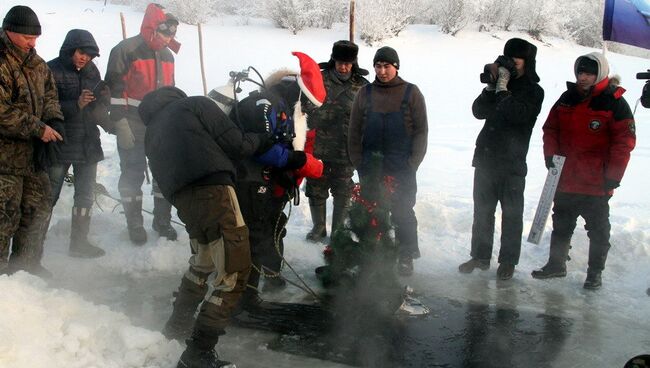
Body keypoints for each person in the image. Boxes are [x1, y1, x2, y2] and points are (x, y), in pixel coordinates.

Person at [139, 86, 274, 368]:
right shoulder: (195, 105)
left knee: (203, 262)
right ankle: (198, 353)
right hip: (214, 190)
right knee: (235, 269)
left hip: (185, 200)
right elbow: (238, 144)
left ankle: (176, 327)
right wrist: (263, 137)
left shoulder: (151, 132)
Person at [531, 52, 636, 290]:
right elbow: (551, 129)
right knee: (561, 225)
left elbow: (624, 143)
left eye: (589, 73)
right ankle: (556, 265)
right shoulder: (567, 98)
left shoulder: (615, 102)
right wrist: (551, 155)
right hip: (566, 177)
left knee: (598, 232)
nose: (583, 77)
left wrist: (613, 176)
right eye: (580, 72)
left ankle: (594, 274)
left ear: (599, 74)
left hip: (596, 182)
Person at [232, 52, 325, 302]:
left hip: (271, 182)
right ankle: (246, 294)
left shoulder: (291, 111)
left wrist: (289, 172)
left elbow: (287, 145)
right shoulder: (266, 104)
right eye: (307, 104)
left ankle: (272, 276)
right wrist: (295, 162)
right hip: (249, 180)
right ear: (298, 94)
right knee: (255, 234)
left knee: (274, 228)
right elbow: (260, 146)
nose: (307, 110)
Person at [458, 38, 544, 281]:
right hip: (486, 158)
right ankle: (480, 256)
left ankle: (508, 261)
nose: (511, 65)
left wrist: (504, 90)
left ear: (527, 63)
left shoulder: (534, 91)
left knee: (512, 214)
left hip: (512, 162)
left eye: (516, 60)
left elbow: (519, 115)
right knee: (482, 211)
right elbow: (478, 111)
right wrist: (490, 88)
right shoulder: (498, 85)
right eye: (508, 59)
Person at [348, 46, 428, 277]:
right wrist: (358, 161)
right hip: (371, 165)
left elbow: (421, 131)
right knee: (372, 211)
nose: (382, 71)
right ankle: (372, 254)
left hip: (401, 164)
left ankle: (406, 254)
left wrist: (413, 162)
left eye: (387, 66)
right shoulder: (365, 93)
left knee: (402, 210)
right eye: (378, 66)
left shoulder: (411, 93)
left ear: (396, 67)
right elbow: (354, 131)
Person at [105, 3, 181, 245]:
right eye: (165, 32)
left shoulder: (168, 55)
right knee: (132, 172)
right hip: (132, 123)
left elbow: (169, 91)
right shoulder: (126, 50)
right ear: (151, 28)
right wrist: (120, 123)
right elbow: (114, 90)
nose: (169, 38)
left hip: (160, 125)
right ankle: (134, 223)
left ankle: (162, 220)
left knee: (164, 174)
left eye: (172, 34)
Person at [0, 6, 64, 276]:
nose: (33, 42)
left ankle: (26, 269)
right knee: (4, 217)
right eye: (27, 37)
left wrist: (54, 120)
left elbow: (51, 97)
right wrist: (37, 128)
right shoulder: (2, 61)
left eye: (36, 37)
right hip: (4, 160)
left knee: (38, 210)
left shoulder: (38, 65)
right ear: (9, 31)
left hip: (33, 159)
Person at [46, 29, 109, 258]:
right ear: (70, 49)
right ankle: (33, 247)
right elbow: (45, 108)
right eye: (81, 52)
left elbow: (98, 107)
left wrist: (103, 99)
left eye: (89, 55)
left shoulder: (93, 71)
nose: (85, 58)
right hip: (60, 142)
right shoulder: (51, 69)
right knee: (48, 197)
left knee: (85, 195)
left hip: (88, 142)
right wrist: (76, 104)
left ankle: (79, 244)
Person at [305, 40, 369, 242]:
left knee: (343, 190)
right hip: (318, 146)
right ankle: (319, 227)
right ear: (333, 60)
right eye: (340, 62)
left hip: (346, 148)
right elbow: (303, 106)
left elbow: (369, 116)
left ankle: (339, 231)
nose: (343, 67)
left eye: (348, 64)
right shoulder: (319, 79)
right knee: (316, 187)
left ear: (354, 63)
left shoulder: (362, 86)